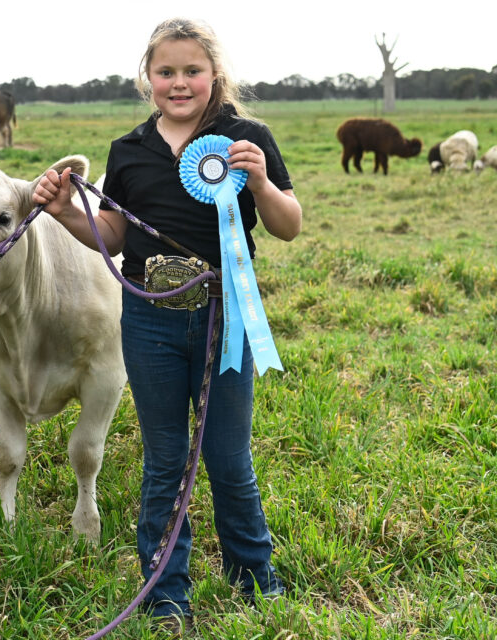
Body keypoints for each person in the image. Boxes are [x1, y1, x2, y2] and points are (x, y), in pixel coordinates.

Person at [31, 17, 302, 631]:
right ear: (147, 79)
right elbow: (111, 234)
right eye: (166, 72)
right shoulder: (128, 151)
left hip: (222, 318)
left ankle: (254, 574)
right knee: (164, 459)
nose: (179, 83)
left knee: (229, 456)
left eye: (192, 71)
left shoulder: (245, 138)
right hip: (149, 323)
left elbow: (288, 225)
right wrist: (65, 212)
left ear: (215, 75)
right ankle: (164, 586)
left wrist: (259, 179)